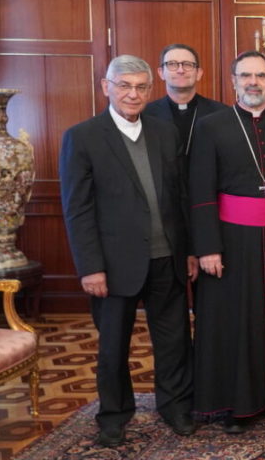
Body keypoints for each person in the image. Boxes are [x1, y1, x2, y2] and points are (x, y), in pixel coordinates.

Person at [59, 55, 195, 446]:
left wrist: (188, 250)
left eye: (140, 87)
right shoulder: (83, 137)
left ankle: (175, 407)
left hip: (167, 258)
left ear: (150, 90)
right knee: (113, 346)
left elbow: (180, 197)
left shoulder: (165, 132)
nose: (132, 94)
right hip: (113, 265)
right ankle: (114, 415)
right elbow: (77, 208)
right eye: (124, 86)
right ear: (106, 87)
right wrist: (90, 267)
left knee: (174, 341)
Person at [188, 51, 265, 433]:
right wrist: (208, 247)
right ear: (233, 81)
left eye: (260, 76)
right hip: (231, 238)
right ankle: (234, 404)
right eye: (246, 76)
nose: (253, 82)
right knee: (235, 320)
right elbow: (200, 190)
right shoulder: (211, 126)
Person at [143, 44, 228, 159]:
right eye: (172, 64)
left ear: (198, 73)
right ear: (161, 73)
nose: (180, 70)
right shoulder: (145, 114)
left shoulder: (221, 114)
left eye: (187, 64)